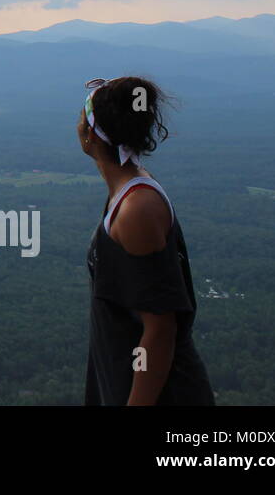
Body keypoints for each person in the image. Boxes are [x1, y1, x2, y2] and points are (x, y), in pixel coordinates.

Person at [78, 76, 214, 405]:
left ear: (91, 135)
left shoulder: (137, 209)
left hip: (161, 394)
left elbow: (160, 329)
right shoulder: (130, 193)